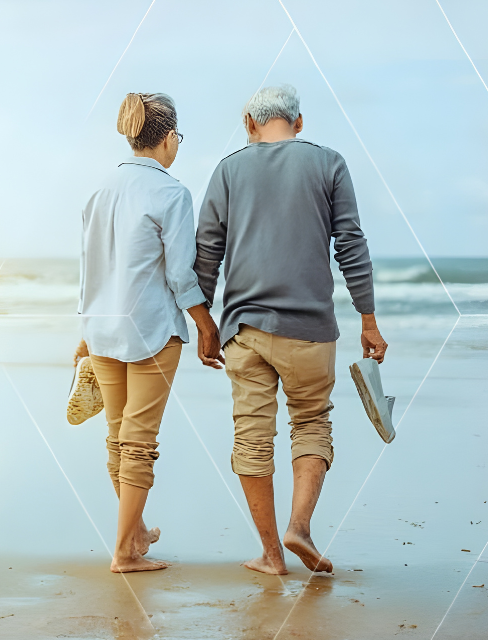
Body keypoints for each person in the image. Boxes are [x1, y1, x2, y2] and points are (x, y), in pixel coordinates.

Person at [194, 84, 389, 575]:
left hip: (245, 330)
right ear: (299, 123)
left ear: (249, 123)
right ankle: (299, 526)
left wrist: (204, 323)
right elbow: (351, 244)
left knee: (253, 439)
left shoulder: (228, 169)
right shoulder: (329, 163)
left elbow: (206, 254)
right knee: (311, 423)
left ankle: (271, 555)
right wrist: (367, 317)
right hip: (311, 330)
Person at [74, 92, 223, 573]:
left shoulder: (100, 189)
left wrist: (83, 332)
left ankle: (133, 534)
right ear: (167, 137)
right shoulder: (171, 193)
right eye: (178, 136)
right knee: (138, 442)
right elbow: (181, 274)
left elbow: (88, 270)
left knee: (117, 438)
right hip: (152, 332)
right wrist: (205, 324)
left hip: (101, 329)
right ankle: (123, 552)